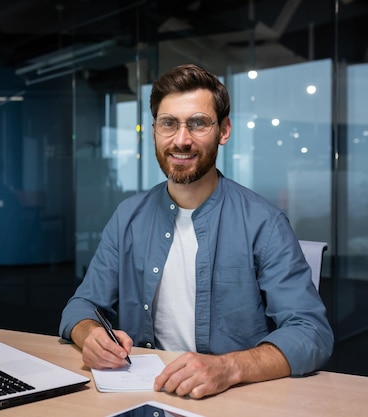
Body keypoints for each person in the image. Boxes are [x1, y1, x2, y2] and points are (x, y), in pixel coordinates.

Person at [59, 64, 334, 399]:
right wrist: (90, 336)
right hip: (142, 394)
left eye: (198, 123)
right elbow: (82, 305)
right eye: (169, 124)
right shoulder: (128, 217)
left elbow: (311, 333)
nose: (182, 140)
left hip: (230, 399)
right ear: (154, 130)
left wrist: (229, 367)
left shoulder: (264, 222)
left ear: (224, 130)